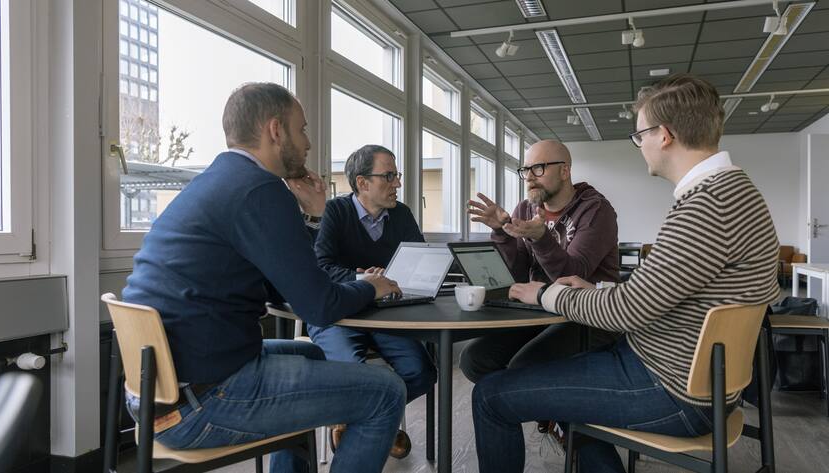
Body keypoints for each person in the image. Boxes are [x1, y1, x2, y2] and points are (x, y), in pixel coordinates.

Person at [471, 73, 780, 473]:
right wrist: (596, 288)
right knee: (548, 376)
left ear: (664, 135)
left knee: (491, 397)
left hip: (670, 387)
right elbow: (657, 292)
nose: (641, 147)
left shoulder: (707, 206)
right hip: (693, 378)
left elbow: (627, 312)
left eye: (640, 136)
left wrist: (543, 294)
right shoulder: (734, 191)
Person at [122, 83, 407, 473]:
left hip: (157, 391)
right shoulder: (261, 190)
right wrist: (370, 286)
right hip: (201, 402)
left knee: (313, 353)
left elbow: (282, 281)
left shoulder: (219, 181)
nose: (307, 144)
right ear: (276, 131)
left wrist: (310, 216)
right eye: (302, 129)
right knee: (387, 392)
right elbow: (319, 306)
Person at [310, 144, 437, 458]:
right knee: (355, 374)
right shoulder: (335, 212)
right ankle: (379, 422)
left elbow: (419, 261)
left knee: (422, 371)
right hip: (336, 314)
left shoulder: (402, 214)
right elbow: (321, 267)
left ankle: (363, 420)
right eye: (389, 176)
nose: (397, 183)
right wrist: (363, 279)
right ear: (363, 183)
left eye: (397, 175)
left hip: (384, 315)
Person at [459, 139, 620, 383]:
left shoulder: (596, 210)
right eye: (525, 170)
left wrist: (542, 238)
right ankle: (522, 405)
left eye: (539, 168)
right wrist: (501, 233)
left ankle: (545, 406)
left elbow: (575, 276)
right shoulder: (525, 209)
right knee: (475, 359)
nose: (529, 177)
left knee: (523, 367)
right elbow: (516, 275)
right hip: (539, 311)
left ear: (564, 171)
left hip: (585, 316)